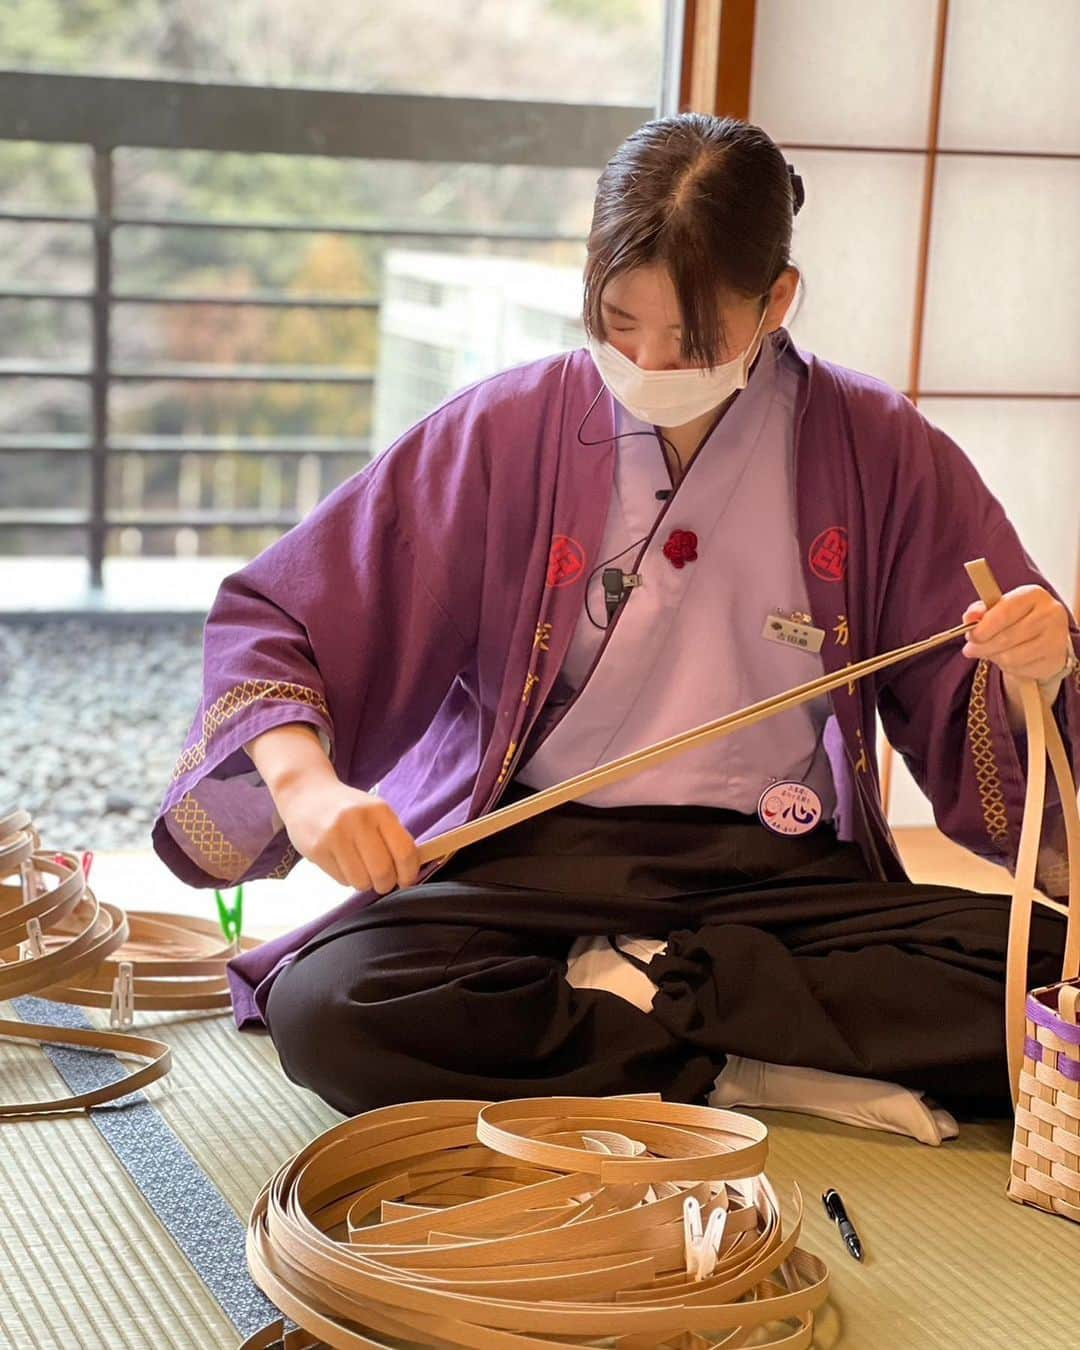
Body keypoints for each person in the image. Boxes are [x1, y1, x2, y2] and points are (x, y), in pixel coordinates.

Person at [153, 114, 1079, 1121]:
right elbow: (286, 614)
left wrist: (1036, 659)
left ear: (777, 301)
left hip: (774, 866)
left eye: (693, 336)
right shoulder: (505, 431)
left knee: (1051, 982)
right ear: (590, 275)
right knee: (334, 1007)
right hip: (533, 857)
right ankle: (744, 1057)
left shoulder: (877, 445)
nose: (647, 359)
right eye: (619, 321)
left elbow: (984, 664)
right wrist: (308, 788)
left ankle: (638, 1012)